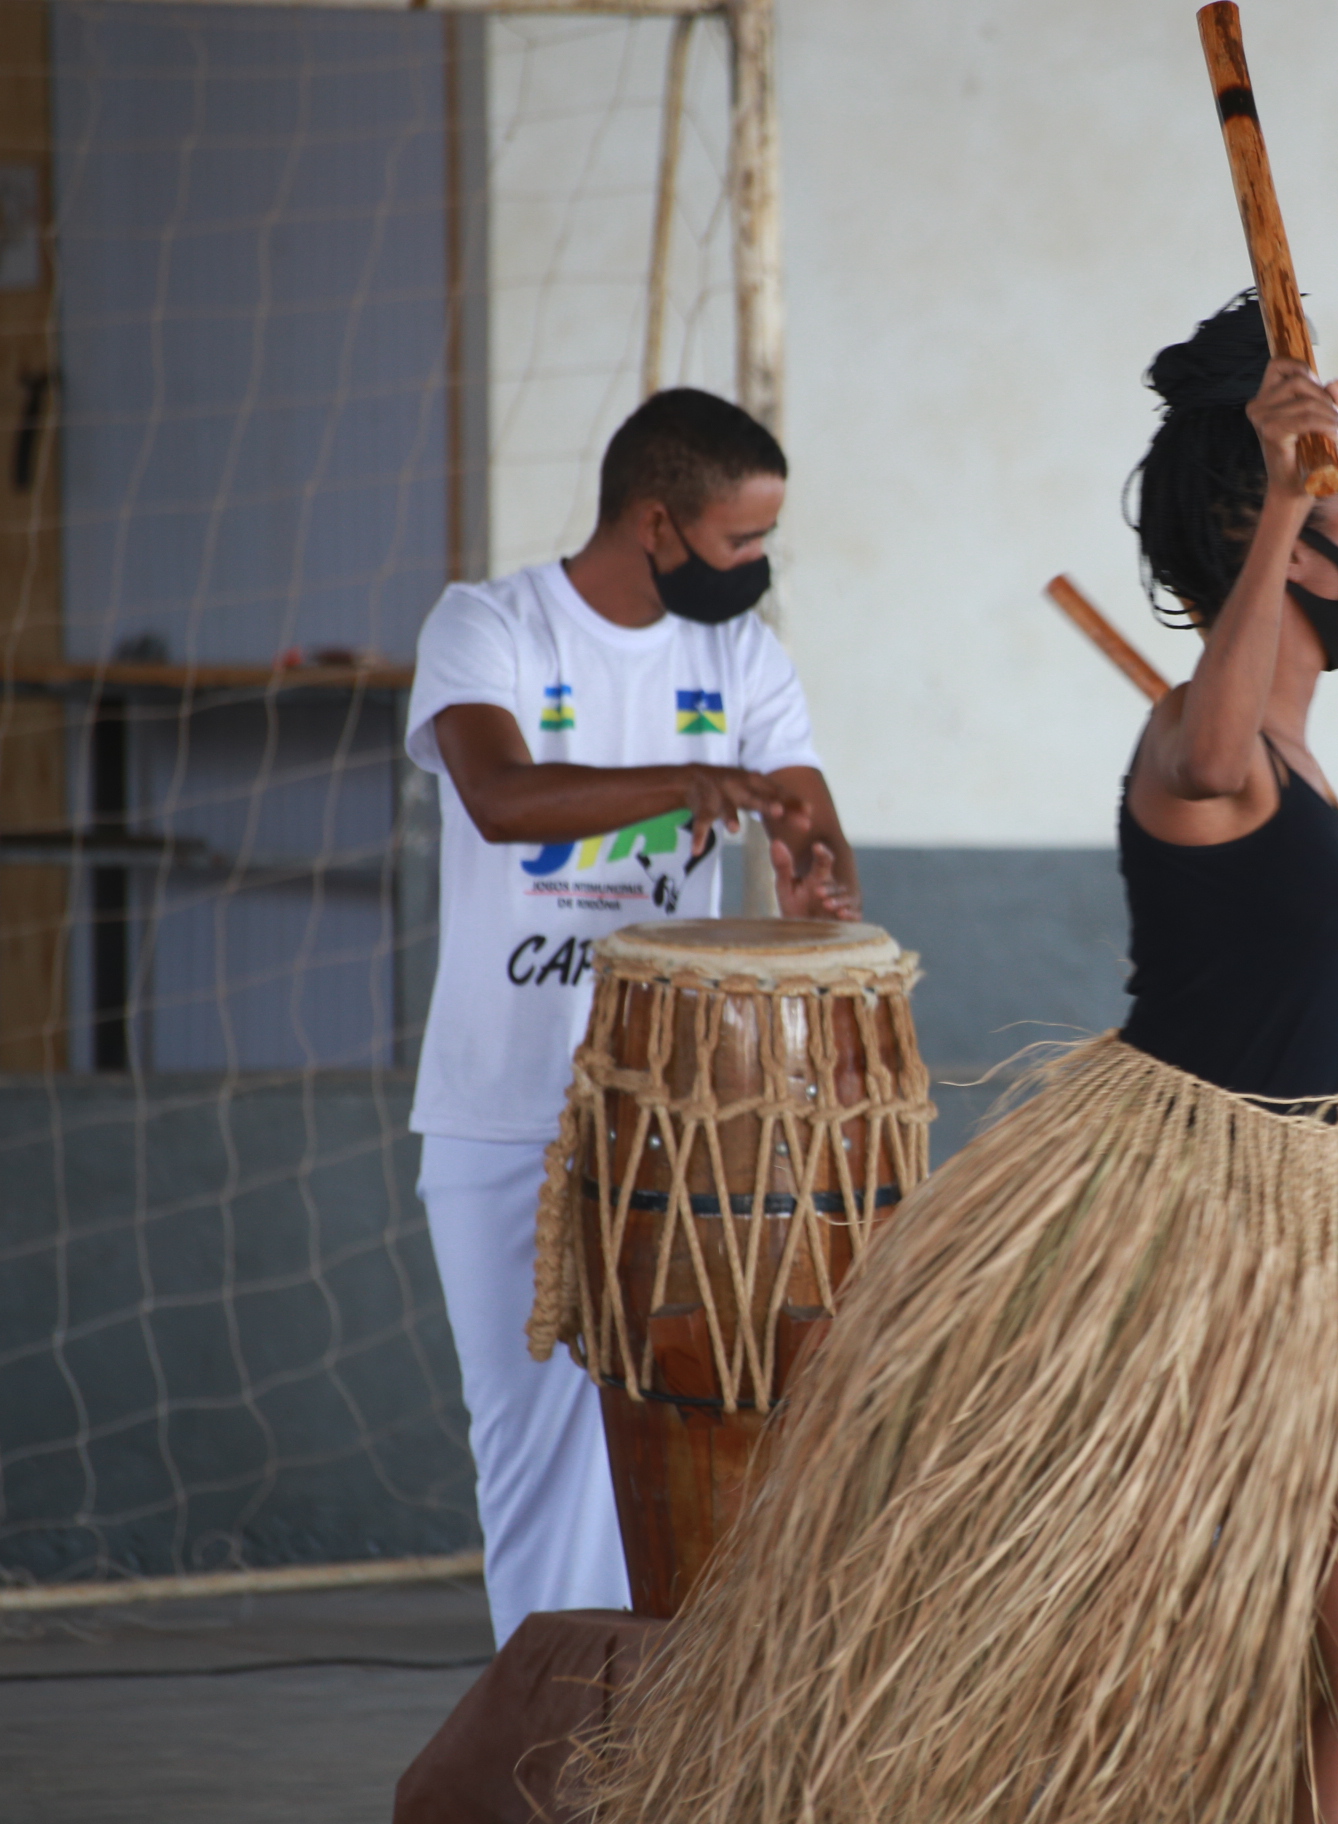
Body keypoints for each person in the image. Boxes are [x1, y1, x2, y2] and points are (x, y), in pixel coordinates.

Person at [577, 298, 1338, 1824]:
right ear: (1288, 551)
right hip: (1182, 1226)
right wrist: (1291, 486)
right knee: (1122, 1635)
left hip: (1309, 1225)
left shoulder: (1294, 762)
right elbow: (1218, 752)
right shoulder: (1198, 740)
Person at [404, 387, 856, 1647]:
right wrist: (687, 781)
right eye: (738, 542)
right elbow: (496, 793)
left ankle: (665, 1734)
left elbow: (807, 811)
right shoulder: (487, 624)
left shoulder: (742, 659)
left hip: (682, 1122)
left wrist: (825, 872)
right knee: (538, 1448)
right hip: (505, 1110)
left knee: (686, 1436)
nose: (756, 568)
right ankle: (550, 1740)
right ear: (656, 523)